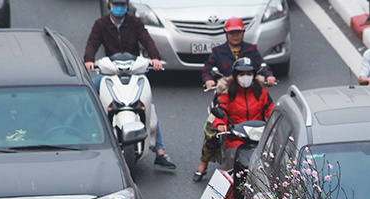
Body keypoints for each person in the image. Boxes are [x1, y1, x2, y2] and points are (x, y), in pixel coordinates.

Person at [83, 0, 176, 169]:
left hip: (134, 70)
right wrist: (89, 60)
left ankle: (160, 151)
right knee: (89, 95)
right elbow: (92, 43)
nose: (119, 8)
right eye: (116, 4)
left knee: (148, 105)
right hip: (109, 71)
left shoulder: (135, 22)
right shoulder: (101, 24)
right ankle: (87, 138)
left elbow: (146, 40)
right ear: (109, 5)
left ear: (127, 6)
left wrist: (155, 58)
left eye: (123, 5)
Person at [195, 17, 277, 182]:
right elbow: (208, 68)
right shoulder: (219, 55)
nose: (235, 35)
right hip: (232, 129)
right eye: (232, 32)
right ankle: (203, 164)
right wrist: (209, 80)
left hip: (255, 135)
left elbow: (272, 110)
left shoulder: (260, 91)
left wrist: (269, 76)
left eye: (238, 32)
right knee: (211, 131)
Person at [212, 57, 274, 171]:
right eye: (242, 74)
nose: (246, 77)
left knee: (272, 158)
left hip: (258, 136)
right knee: (232, 157)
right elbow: (222, 110)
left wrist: (277, 123)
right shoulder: (227, 94)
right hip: (235, 137)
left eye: (249, 74)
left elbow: (271, 111)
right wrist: (220, 123)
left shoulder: (262, 92)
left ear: (254, 75)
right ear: (236, 76)